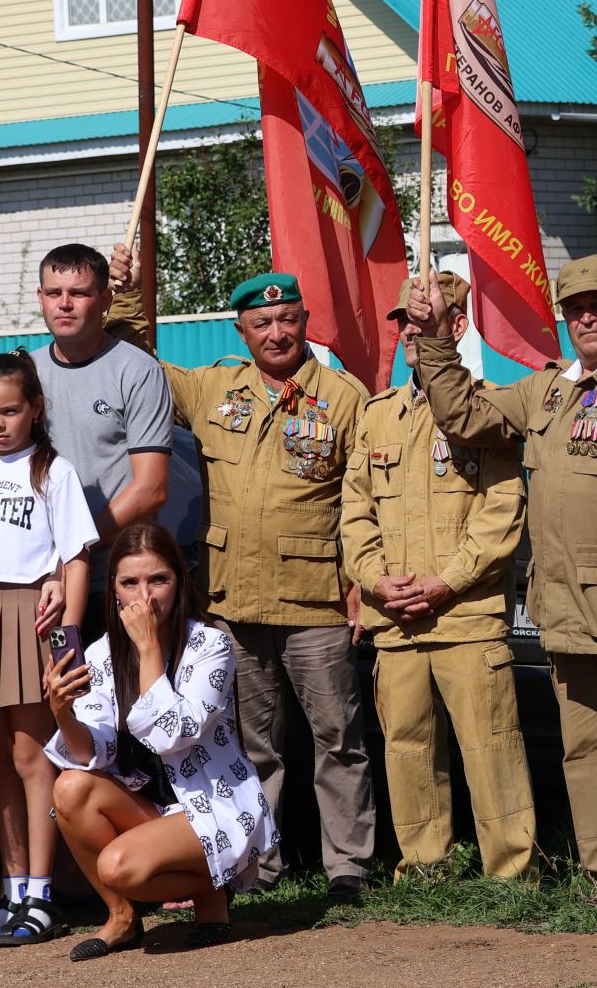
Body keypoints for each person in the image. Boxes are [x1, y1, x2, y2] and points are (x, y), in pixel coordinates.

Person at [106, 252, 376, 897]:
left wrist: (362, 582)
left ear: (305, 321)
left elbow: (365, 497)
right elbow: (136, 365)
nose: (277, 334)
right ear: (242, 331)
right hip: (234, 599)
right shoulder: (210, 389)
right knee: (252, 746)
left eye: (287, 320)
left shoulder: (344, 399)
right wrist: (124, 296)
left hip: (317, 603)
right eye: (262, 323)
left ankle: (349, 867)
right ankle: (257, 861)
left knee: (338, 738)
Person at [407, 255, 597, 896]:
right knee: (582, 750)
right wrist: (439, 340)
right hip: (560, 609)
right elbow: (465, 417)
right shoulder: (545, 390)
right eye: (576, 308)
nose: (588, 317)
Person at [341, 271, 536, 882]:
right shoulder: (378, 417)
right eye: (404, 324)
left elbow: (501, 515)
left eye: (425, 322)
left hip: (465, 617)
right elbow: (355, 512)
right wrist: (376, 581)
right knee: (407, 749)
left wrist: (446, 582)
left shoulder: (487, 413)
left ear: (457, 327)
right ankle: (425, 869)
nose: (410, 333)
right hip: (397, 620)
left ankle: (512, 872)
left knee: (492, 747)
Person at [44, 523, 278, 959]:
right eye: (129, 582)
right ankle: (121, 918)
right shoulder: (99, 653)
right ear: (113, 589)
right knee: (69, 787)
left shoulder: (211, 645)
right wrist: (61, 711)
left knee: (116, 866)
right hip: (148, 802)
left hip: (212, 805)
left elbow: (173, 735)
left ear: (180, 581)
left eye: (159, 580)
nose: (144, 596)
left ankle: (214, 890)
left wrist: (149, 650)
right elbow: (89, 753)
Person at [0, 352, 98, 946]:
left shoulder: (54, 470)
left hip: (33, 618)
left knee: (31, 757)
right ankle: (13, 889)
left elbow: (75, 559)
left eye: (10, 411)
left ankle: (42, 893)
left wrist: (65, 640)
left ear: (35, 409)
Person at [30, 244, 172, 638]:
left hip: (117, 580)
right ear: (39, 298)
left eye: (78, 293)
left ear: (106, 298)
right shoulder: (25, 371)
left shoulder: (138, 371)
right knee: (56, 697)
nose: (65, 304)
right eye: (54, 293)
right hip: (43, 583)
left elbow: (151, 488)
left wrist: (76, 545)